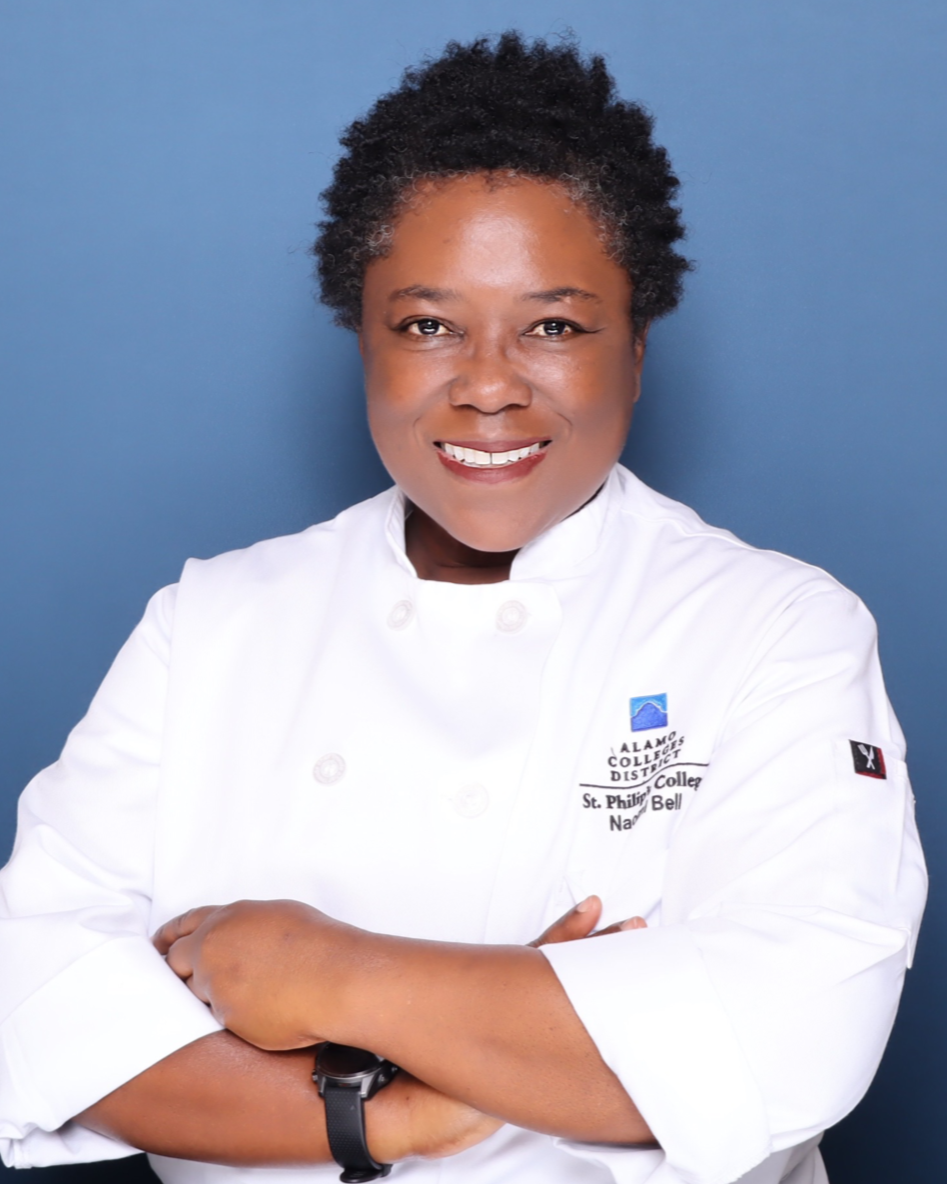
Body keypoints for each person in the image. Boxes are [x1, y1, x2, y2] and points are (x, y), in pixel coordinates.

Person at [0, 31, 926, 1184]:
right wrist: (400, 1109)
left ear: (635, 352)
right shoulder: (214, 621)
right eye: (427, 325)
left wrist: (322, 969)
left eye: (553, 325)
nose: (488, 384)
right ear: (364, 341)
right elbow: (29, 1002)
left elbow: (789, 1028)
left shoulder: (774, 627)